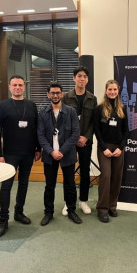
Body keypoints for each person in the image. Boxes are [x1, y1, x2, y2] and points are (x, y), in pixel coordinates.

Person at [0, 75, 41, 237]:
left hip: (28, 152)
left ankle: (18, 213)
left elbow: (36, 129)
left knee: (23, 184)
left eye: (20, 85)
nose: (18, 88)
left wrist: (38, 148)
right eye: (14, 85)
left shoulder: (32, 105)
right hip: (9, 154)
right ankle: (3, 220)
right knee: (6, 187)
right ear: (9, 87)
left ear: (24, 87)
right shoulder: (2, 106)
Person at [37, 82, 82, 226]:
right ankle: (48, 212)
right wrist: (51, 151)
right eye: (52, 93)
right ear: (48, 95)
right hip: (49, 156)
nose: (55, 95)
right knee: (49, 185)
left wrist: (61, 151)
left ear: (62, 94)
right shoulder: (43, 113)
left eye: (58, 93)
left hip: (66, 154)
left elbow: (75, 134)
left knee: (69, 184)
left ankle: (71, 210)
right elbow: (40, 135)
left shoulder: (71, 111)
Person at [62, 66, 97, 216]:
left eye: (84, 76)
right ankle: (68, 202)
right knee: (68, 172)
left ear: (87, 80)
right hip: (70, 141)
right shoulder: (66, 97)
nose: (82, 79)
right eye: (79, 76)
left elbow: (94, 121)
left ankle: (83, 201)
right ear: (74, 78)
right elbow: (63, 120)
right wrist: (74, 138)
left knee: (84, 171)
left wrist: (86, 137)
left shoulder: (92, 98)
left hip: (86, 141)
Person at [93, 80, 129, 223]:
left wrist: (121, 148)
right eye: (110, 89)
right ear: (106, 91)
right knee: (106, 176)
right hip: (104, 147)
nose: (112, 92)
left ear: (118, 90)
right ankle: (102, 209)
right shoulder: (99, 109)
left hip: (119, 148)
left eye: (114, 89)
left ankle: (112, 206)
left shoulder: (123, 109)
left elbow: (126, 131)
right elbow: (96, 130)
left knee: (116, 177)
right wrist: (104, 148)